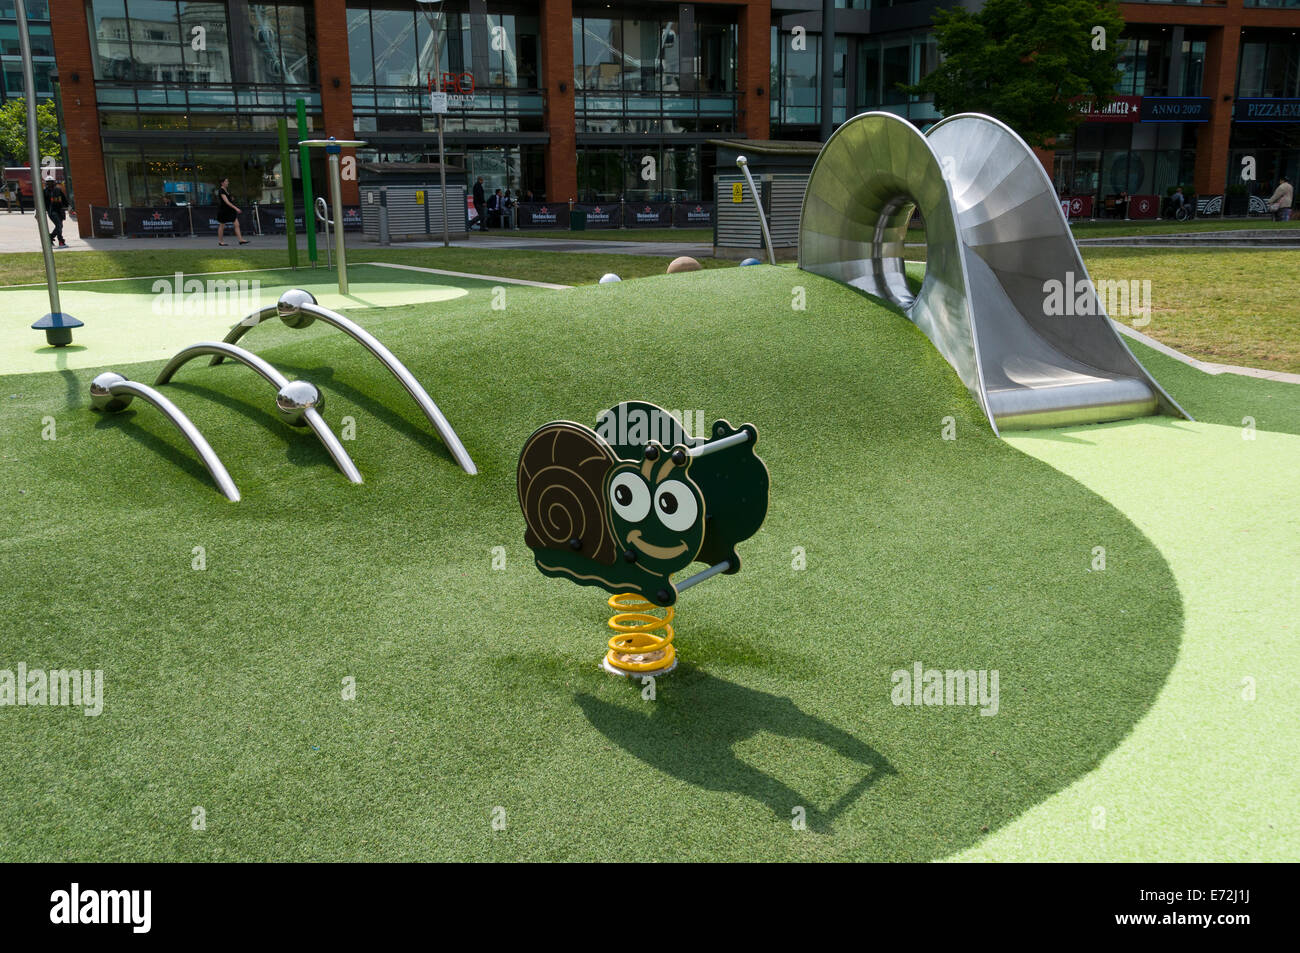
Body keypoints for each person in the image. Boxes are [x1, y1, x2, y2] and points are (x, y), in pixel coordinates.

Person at [216, 177, 248, 245]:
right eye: (226, 181)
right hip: (223, 211)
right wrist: (236, 208)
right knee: (222, 226)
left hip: (230, 210)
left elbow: (229, 200)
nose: (228, 182)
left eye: (228, 181)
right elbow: (226, 202)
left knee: (237, 224)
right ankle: (220, 242)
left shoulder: (226, 190)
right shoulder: (221, 191)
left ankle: (241, 240)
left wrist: (232, 199)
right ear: (222, 183)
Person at [43, 177, 68, 248]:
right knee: (59, 225)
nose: (50, 183)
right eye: (48, 182)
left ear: (54, 182)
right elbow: (42, 202)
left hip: (60, 210)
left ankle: (50, 237)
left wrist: (69, 207)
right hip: (52, 211)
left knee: (60, 226)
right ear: (46, 183)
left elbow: (64, 199)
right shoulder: (44, 191)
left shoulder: (58, 190)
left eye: (51, 182)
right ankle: (61, 241)